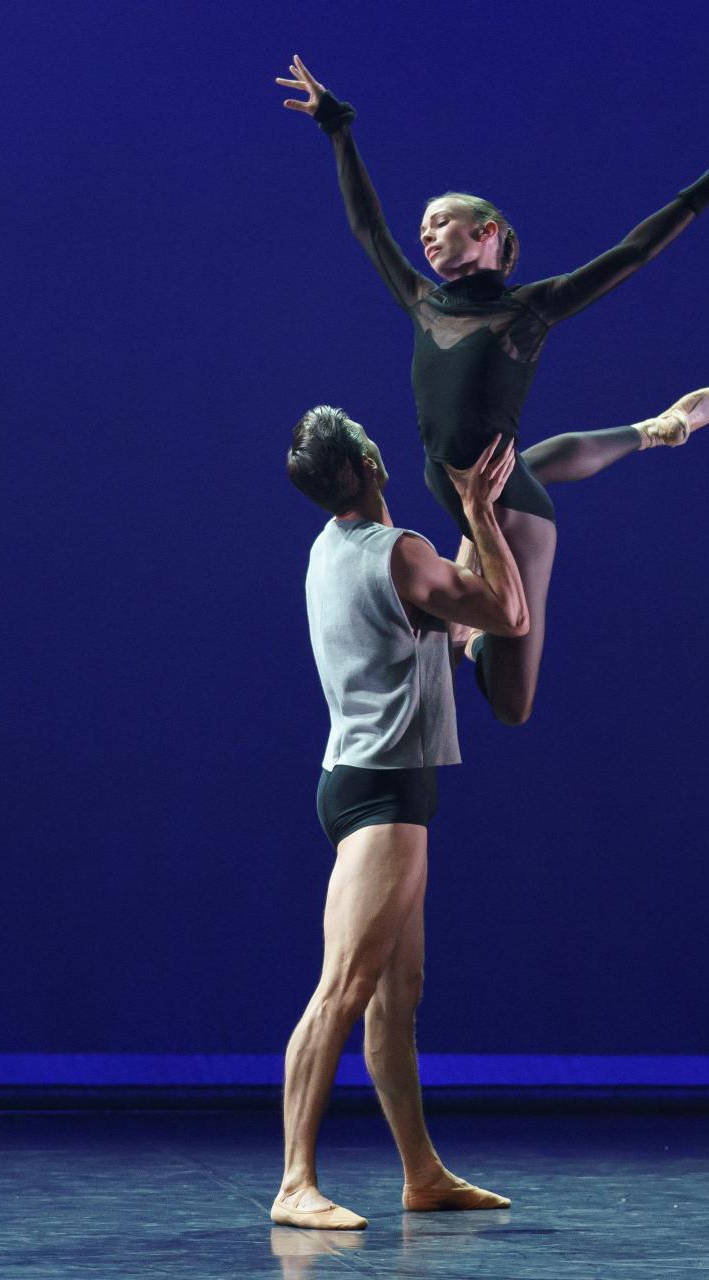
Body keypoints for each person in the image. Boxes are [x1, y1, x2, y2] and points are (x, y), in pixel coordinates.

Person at [276, 53, 709, 724]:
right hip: (467, 495)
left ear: (485, 233)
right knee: (526, 462)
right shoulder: (424, 304)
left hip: (512, 518)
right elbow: (367, 228)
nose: (424, 233)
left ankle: (654, 432)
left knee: (511, 707)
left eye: (440, 221)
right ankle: (652, 430)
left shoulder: (528, 311)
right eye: (422, 225)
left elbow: (631, 253)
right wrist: (336, 125)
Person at [276, 405, 526, 1230]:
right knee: (343, 990)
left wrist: (463, 520)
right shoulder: (396, 554)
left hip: (379, 790)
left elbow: (442, 632)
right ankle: (295, 1185)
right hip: (382, 797)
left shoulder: (335, 551)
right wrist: (485, 516)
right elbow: (505, 616)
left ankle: (422, 1173)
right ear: (373, 462)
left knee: (396, 997)